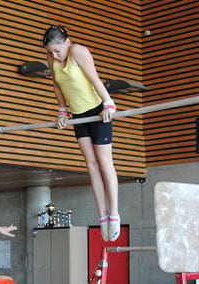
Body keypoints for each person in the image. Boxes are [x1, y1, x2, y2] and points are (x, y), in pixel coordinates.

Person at [43, 25, 120, 242]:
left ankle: (114, 212)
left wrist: (108, 103)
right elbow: (56, 85)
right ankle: (102, 214)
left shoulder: (78, 52)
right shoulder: (51, 57)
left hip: (96, 111)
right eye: (50, 52)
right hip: (78, 114)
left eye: (57, 50)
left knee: (105, 162)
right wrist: (62, 111)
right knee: (91, 165)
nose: (54, 55)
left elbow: (94, 78)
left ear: (67, 42)